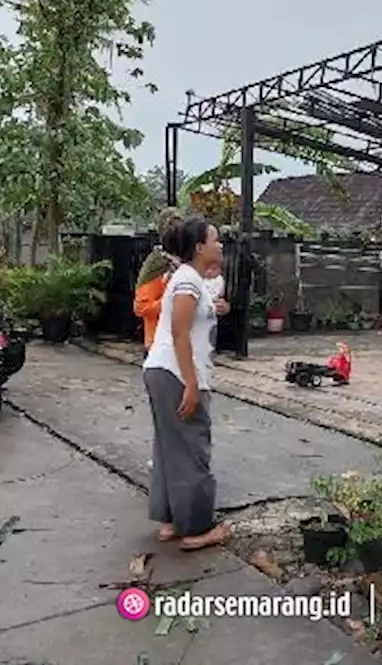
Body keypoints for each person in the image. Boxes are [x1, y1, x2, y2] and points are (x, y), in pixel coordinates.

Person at [142, 216, 232, 550]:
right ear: (199, 247)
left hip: (164, 370)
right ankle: (195, 530)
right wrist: (192, 384)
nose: (220, 245)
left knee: (169, 447)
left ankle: (170, 521)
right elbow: (180, 332)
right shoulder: (187, 282)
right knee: (193, 446)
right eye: (215, 240)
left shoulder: (190, 279)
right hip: (176, 373)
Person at [133, 208, 185, 357]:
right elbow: (141, 307)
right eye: (172, 227)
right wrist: (170, 302)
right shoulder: (156, 264)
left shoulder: (188, 261)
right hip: (159, 344)